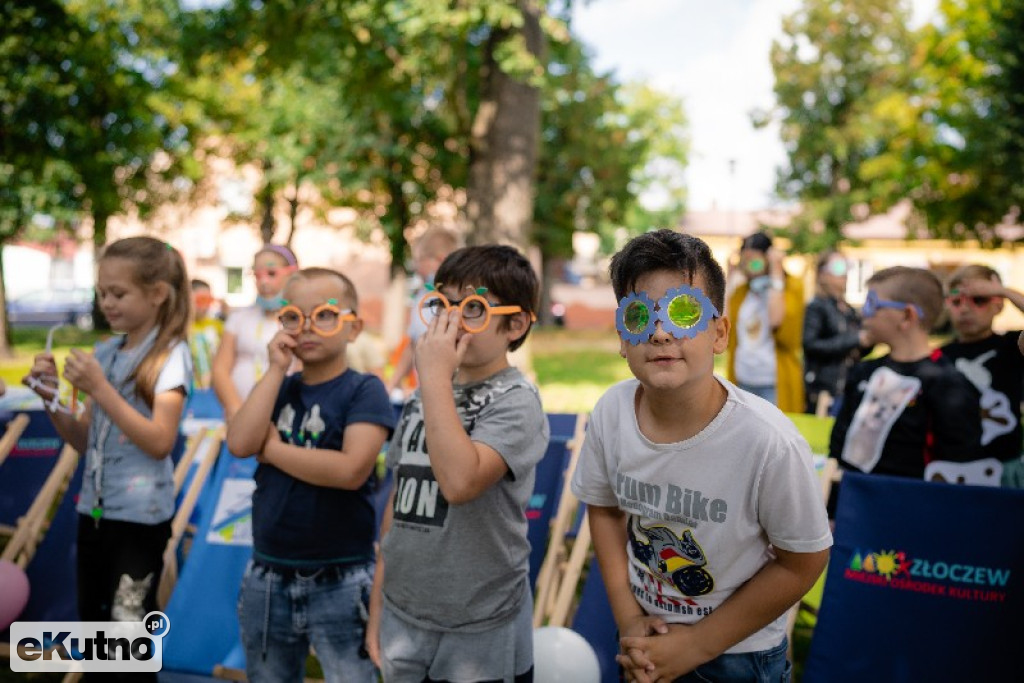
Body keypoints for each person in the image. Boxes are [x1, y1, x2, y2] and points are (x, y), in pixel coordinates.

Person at [571, 230, 832, 682]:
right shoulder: (612, 412)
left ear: (719, 332)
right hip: (645, 639)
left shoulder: (767, 442)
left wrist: (696, 645)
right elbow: (605, 508)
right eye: (638, 315)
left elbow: (803, 561)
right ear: (621, 336)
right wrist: (628, 616)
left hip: (738, 654)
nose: (659, 331)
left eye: (684, 311)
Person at [366, 245, 549, 682]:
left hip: (480, 623)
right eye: (442, 305)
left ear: (516, 324)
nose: (450, 322)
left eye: (472, 309)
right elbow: (401, 496)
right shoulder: (423, 396)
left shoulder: (516, 402)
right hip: (403, 611)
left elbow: (460, 482)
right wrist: (378, 604)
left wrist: (430, 377)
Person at [23, 237, 192, 681]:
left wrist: (100, 388)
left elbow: (159, 442)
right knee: (97, 628)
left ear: (156, 293)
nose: (107, 303)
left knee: (127, 636)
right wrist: (50, 397)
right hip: (93, 511)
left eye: (119, 293)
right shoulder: (106, 354)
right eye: (102, 293)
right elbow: (84, 439)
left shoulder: (171, 357)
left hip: (140, 520)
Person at [226, 267, 394, 683]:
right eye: (293, 316)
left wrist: (275, 449)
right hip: (267, 573)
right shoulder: (277, 387)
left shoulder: (363, 390)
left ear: (353, 328)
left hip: (341, 575)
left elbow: (350, 470)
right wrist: (274, 369)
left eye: (324, 315)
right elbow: (241, 443)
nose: (307, 327)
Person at [829, 266, 983, 480]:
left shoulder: (948, 386)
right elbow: (839, 443)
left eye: (872, 304)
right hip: (852, 502)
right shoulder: (864, 371)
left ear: (907, 316)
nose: (864, 313)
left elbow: (957, 464)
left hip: (911, 506)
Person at [939, 264, 1024, 465]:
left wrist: (1003, 291)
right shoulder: (939, 356)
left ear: (999, 305)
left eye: (979, 299)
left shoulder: (1013, 346)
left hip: (1003, 465)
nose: (966, 309)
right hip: (952, 466)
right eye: (956, 301)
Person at [211, 244, 297, 420]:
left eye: (271, 273)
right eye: (257, 275)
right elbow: (220, 369)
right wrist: (236, 410)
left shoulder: (301, 320)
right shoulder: (239, 318)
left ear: (292, 274)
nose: (263, 282)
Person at [725, 231, 804, 413]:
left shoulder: (791, 286)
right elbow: (723, 325)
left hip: (773, 383)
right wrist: (729, 279)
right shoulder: (742, 291)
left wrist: (776, 272)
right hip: (743, 380)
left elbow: (776, 321)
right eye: (744, 262)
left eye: (755, 261)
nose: (750, 269)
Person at [384, 226, 460, 400]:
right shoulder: (422, 297)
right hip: (422, 395)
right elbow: (412, 345)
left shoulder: (456, 303)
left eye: (419, 260)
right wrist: (391, 385)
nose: (416, 268)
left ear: (441, 260)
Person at [802, 250, 870, 415]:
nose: (845, 273)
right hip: (824, 392)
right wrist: (856, 339)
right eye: (839, 267)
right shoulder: (817, 307)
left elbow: (860, 350)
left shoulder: (850, 311)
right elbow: (810, 344)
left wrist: (869, 341)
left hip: (848, 389)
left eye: (847, 267)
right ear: (822, 274)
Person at [189, 278, 223, 389]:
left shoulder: (218, 325)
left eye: (208, 300)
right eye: (200, 300)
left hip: (214, 388)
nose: (205, 306)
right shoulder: (181, 329)